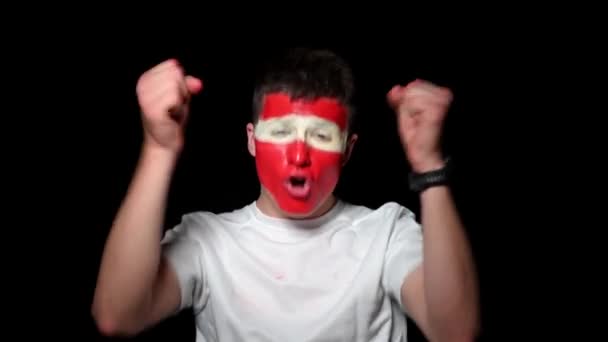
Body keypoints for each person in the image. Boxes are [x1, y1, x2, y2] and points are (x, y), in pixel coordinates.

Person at [91, 48, 480, 341]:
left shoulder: (387, 232)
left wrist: (429, 165)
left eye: (321, 135)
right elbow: (116, 316)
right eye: (280, 132)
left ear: (347, 150)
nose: (299, 155)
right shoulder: (209, 241)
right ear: (251, 141)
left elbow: (455, 331)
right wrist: (158, 150)